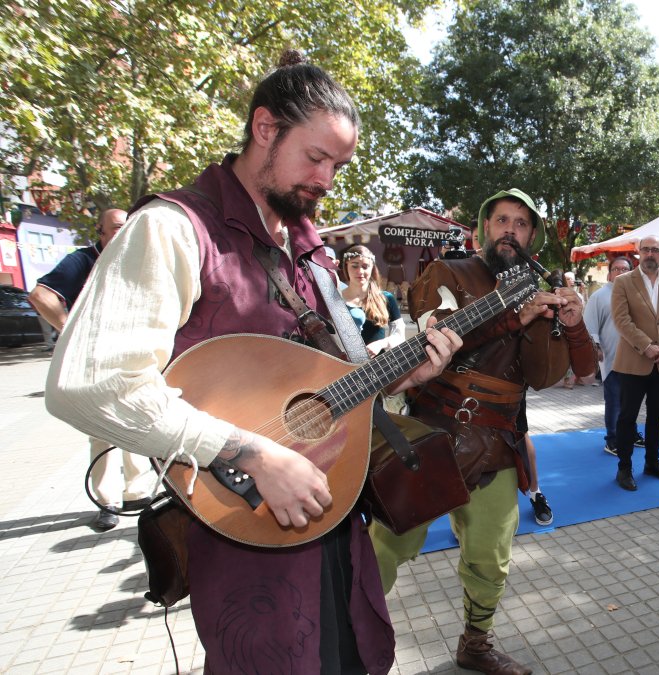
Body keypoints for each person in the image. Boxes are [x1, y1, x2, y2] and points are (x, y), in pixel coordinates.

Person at [45, 52, 464, 673]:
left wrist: (404, 373)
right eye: (316, 157)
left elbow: (334, 382)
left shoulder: (308, 248)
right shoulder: (174, 229)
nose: (326, 179)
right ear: (265, 129)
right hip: (246, 540)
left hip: (336, 525)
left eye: (338, 165)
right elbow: (88, 384)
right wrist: (253, 452)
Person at [370, 188, 595, 675]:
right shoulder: (447, 273)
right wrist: (517, 313)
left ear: (532, 235)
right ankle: (344, 637)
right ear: (482, 229)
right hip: (431, 436)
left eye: (520, 223)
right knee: (388, 544)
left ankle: (475, 643)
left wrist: (573, 324)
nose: (510, 230)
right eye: (501, 220)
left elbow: (573, 370)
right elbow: (442, 340)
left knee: (490, 557)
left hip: (497, 445)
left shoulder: (541, 287)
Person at [29, 208, 157, 531]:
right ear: (100, 232)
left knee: (139, 419)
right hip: (96, 360)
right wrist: (70, 328)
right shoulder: (83, 260)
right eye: (115, 228)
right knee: (102, 430)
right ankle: (108, 500)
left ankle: (138, 492)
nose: (123, 233)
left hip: (134, 357)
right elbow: (40, 295)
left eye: (127, 228)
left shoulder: (137, 260)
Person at [610, 234, 659, 491]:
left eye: (655, 250)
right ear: (638, 253)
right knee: (627, 417)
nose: (650, 254)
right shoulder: (623, 282)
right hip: (633, 361)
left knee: (657, 416)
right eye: (646, 249)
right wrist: (647, 346)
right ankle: (624, 468)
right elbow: (621, 320)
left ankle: (652, 463)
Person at [584, 256, 638, 456]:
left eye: (625, 269)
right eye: (616, 269)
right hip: (612, 357)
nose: (620, 272)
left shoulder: (637, 294)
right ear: (609, 273)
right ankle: (613, 438)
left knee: (632, 400)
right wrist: (595, 347)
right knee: (614, 400)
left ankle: (631, 432)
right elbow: (590, 325)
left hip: (635, 358)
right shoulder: (599, 296)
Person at [339, 244, 404, 355]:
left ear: (372, 267)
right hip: (343, 365)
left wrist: (381, 344)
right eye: (354, 266)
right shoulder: (336, 299)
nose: (360, 271)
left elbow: (399, 336)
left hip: (377, 366)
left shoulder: (386, 298)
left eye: (365, 266)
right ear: (346, 266)